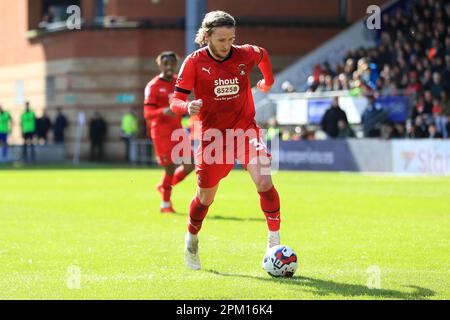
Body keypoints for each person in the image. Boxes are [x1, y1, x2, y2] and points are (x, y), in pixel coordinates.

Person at [169, 11, 278, 270]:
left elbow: (262, 53)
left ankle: (274, 242)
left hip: (246, 131)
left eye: (231, 39)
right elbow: (175, 101)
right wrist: (187, 107)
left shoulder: (244, 53)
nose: (228, 45)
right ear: (206, 36)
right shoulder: (194, 62)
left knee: (264, 180)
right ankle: (192, 239)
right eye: (221, 40)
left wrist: (268, 81)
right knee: (205, 198)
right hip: (213, 139)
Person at [143, 51, 195, 213]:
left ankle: (164, 186)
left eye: (172, 64)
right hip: (161, 132)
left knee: (190, 164)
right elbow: (147, 114)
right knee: (170, 167)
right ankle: (165, 204)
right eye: (165, 64)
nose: (169, 67)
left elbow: (182, 103)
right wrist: (163, 111)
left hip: (178, 130)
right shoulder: (153, 86)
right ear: (160, 65)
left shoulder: (178, 83)